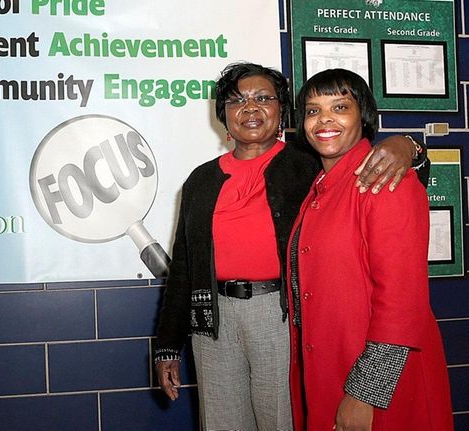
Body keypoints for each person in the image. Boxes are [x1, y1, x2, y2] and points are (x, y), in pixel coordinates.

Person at [153, 62, 428, 431]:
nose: (250, 109)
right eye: (237, 101)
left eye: (263, 99)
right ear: (224, 115)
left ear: (283, 111)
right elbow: (184, 266)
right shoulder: (200, 180)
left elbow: (386, 175)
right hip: (212, 319)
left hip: (282, 315)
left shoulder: (310, 162)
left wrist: (408, 146)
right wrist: (168, 345)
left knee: (283, 420)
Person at [288, 68, 453, 431]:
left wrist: (365, 394)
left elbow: (402, 300)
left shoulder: (387, 180)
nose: (324, 119)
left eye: (339, 106)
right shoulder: (322, 184)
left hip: (382, 384)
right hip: (332, 366)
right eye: (313, 110)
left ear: (362, 117)